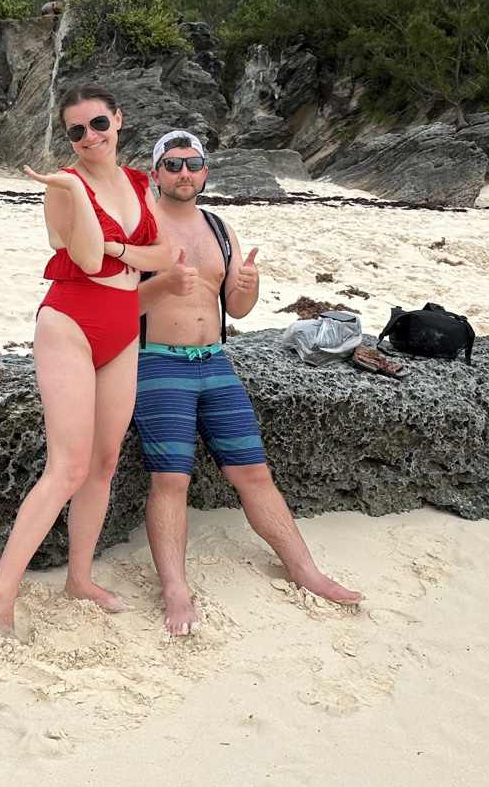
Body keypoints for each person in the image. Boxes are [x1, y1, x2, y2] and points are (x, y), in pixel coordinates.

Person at [136, 130, 361, 635]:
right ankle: (175, 588)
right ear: (155, 173)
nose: (184, 173)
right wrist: (164, 285)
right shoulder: (140, 228)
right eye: (172, 164)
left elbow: (236, 309)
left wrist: (250, 288)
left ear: (205, 171)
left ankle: (305, 569)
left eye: (193, 164)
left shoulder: (220, 229)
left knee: (254, 472)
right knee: (170, 480)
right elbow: (117, 309)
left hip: (215, 361)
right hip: (157, 362)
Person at [0, 86, 174, 639]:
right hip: (69, 324)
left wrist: (121, 251)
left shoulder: (139, 182)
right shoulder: (61, 187)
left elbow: (164, 255)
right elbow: (85, 259)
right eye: (76, 131)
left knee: (104, 462)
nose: (90, 137)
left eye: (98, 123)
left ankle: (79, 578)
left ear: (118, 119)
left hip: (122, 327)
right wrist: (77, 193)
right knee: (68, 466)